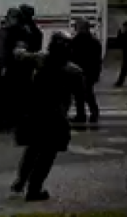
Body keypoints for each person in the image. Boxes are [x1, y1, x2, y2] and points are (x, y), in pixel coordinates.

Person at [10, 31, 84, 201]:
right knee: (47, 155)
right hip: (56, 117)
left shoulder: (41, 59)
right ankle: (34, 189)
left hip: (36, 112)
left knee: (33, 149)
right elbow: (81, 96)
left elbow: (20, 56)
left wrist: (20, 47)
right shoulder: (74, 71)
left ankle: (21, 181)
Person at [70, 19, 102, 124]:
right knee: (85, 93)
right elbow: (98, 60)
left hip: (82, 71)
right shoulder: (94, 41)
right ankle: (90, 113)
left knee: (82, 94)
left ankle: (83, 114)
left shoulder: (76, 40)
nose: (76, 28)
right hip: (89, 71)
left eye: (77, 26)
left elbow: (73, 56)